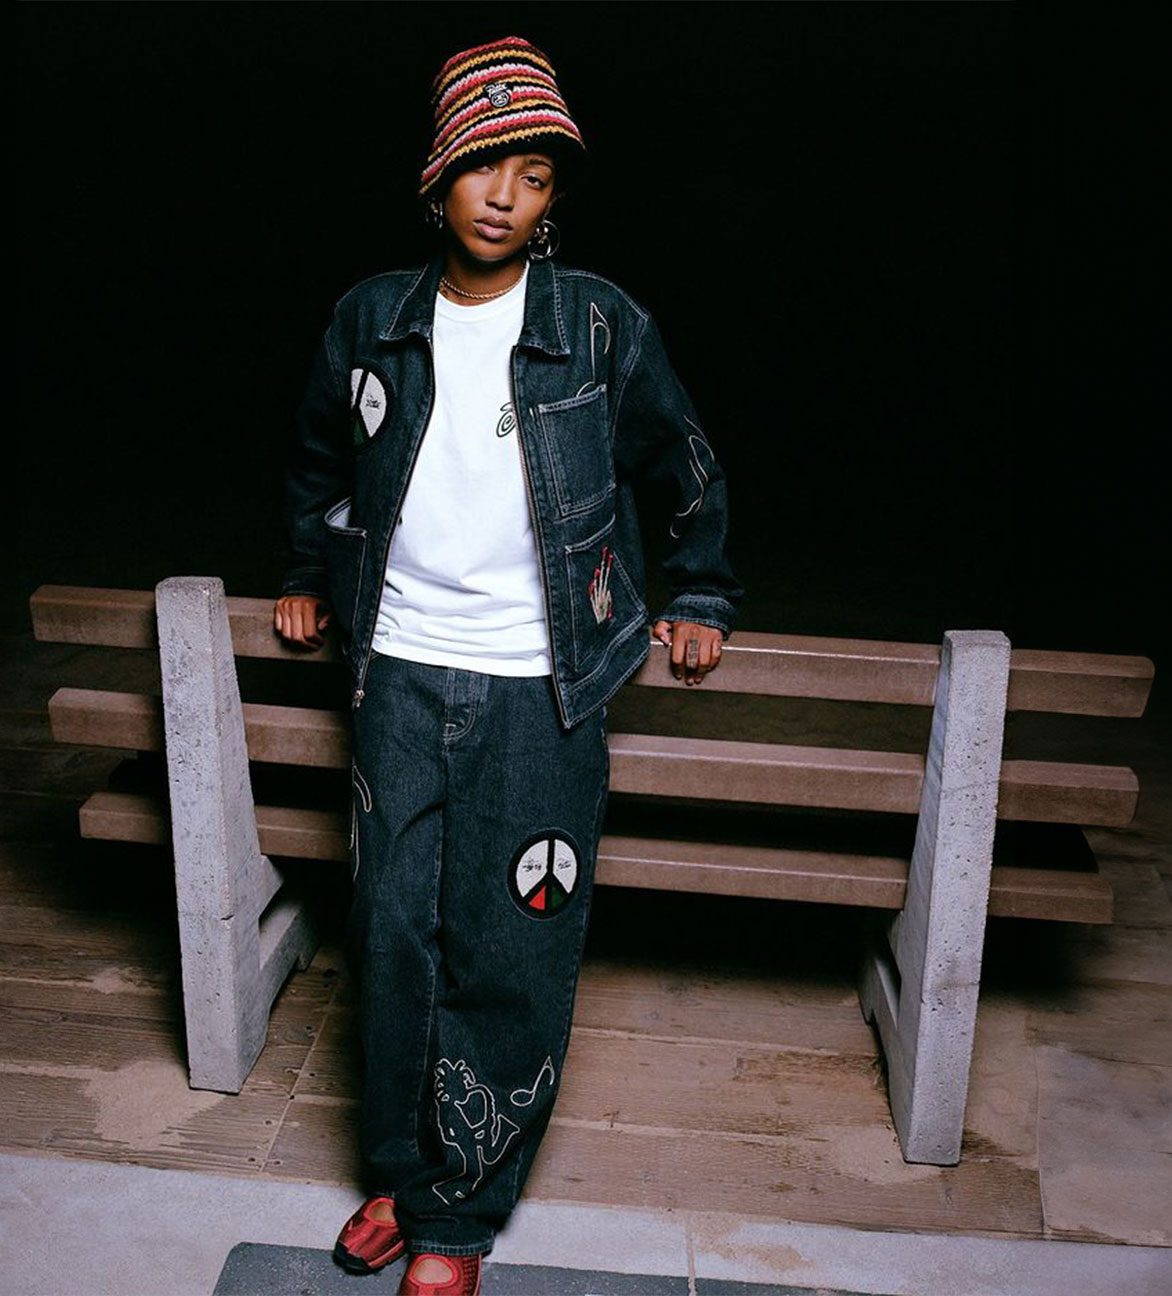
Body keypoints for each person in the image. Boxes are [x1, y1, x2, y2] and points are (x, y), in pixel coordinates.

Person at [272, 35, 740, 1296]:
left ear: (550, 202)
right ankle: (402, 1175)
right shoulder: (372, 318)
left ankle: (457, 1220)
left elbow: (684, 462)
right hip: (398, 672)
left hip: (543, 686)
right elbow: (319, 458)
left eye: (533, 177)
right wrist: (310, 574)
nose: (504, 197)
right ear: (439, 180)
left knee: (509, 944)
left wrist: (700, 591)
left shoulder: (596, 324)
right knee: (392, 930)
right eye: (485, 168)